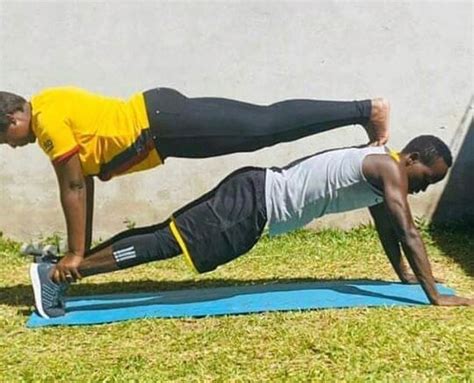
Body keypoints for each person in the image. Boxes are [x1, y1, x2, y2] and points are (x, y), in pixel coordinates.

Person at [30, 135, 473, 318]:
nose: (420, 189)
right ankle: (60, 275)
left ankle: (68, 265)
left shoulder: (379, 175)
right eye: (425, 180)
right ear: (411, 160)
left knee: (166, 235)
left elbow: (390, 232)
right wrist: (435, 296)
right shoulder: (388, 167)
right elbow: (410, 231)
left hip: (253, 196)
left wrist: (407, 277)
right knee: (166, 241)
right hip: (251, 204)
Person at [0, 86, 389, 282]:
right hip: (162, 115)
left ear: (14, 120)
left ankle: (365, 109)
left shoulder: (47, 126)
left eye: (7, 140)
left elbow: (73, 188)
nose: (14, 147)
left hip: (162, 127)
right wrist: (77, 253)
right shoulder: (48, 102)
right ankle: (362, 110)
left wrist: (73, 254)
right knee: (263, 125)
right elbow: (84, 181)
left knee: (264, 127)